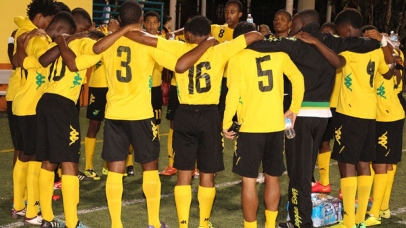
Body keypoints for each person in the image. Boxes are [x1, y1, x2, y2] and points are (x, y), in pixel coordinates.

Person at [247, 9, 382, 228]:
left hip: (300, 117)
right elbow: (365, 44)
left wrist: (253, 36)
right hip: (322, 117)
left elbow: (259, 46)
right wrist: (380, 39)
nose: (290, 27)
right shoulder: (332, 41)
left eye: (293, 24)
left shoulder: (296, 43)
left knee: (298, 174)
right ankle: (296, 219)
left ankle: (303, 223)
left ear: (300, 23)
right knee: (304, 170)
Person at [137, 15, 263, 228]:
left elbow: (150, 41)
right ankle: (204, 223)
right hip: (209, 116)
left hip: (184, 114)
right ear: (208, 33)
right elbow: (254, 35)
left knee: (184, 172)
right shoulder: (221, 50)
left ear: (187, 34)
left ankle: (183, 224)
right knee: (207, 172)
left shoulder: (178, 49)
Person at [222, 21, 305, 228]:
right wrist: (293, 108)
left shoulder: (237, 58)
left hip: (249, 127)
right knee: (273, 177)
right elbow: (298, 78)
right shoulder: (279, 53)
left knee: (249, 180)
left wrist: (226, 122)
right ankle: (269, 225)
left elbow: (233, 93)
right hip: (275, 126)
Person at [35, 8, 107, 228]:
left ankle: (46, 218)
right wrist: (91, 38)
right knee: (69, 163)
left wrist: (63, 40)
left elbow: (43, 60)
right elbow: (94, 47)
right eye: (86, 28)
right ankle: (73, 222)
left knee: (48, 161)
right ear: (80, 27)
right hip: (63, 105)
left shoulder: (58, 43)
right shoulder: (80, 42)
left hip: (45, 102)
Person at [331, 9, 394, 228]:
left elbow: (335, 62)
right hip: (370, 113)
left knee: (346, 163)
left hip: (349, 113)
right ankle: (360, 221)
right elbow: (388, 72)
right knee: (364, 163)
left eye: (339, 32)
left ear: (346, 30)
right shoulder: (375, 49)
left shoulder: (349, 48)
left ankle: (348, 221)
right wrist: (384, 42)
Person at [10, 0, 68, 222]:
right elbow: (46, 58)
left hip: (22, 102)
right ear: (40, 18)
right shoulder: (38, 38)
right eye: (51, 21)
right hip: (33, 104)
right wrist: (65, 41)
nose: (52, 26)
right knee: (34, 158)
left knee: (25, 156)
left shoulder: (24, 33)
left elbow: (19, 61)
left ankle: (18, 205)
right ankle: (32, 211)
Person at [311, 21, 338, 194]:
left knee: (345, 149)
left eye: (329, 35)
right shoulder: (318, 55)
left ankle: (345, 188)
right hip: (324, 106)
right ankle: (324, 181)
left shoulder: (340, 54)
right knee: (322, 142)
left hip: (341, 107)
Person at [81, 30, 106, 181]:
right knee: (94, 125)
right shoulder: (91, 51)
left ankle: (108, 165)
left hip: (113, 89)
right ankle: (88, 167)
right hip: (96, 88)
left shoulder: (109, 47)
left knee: (112, 127)